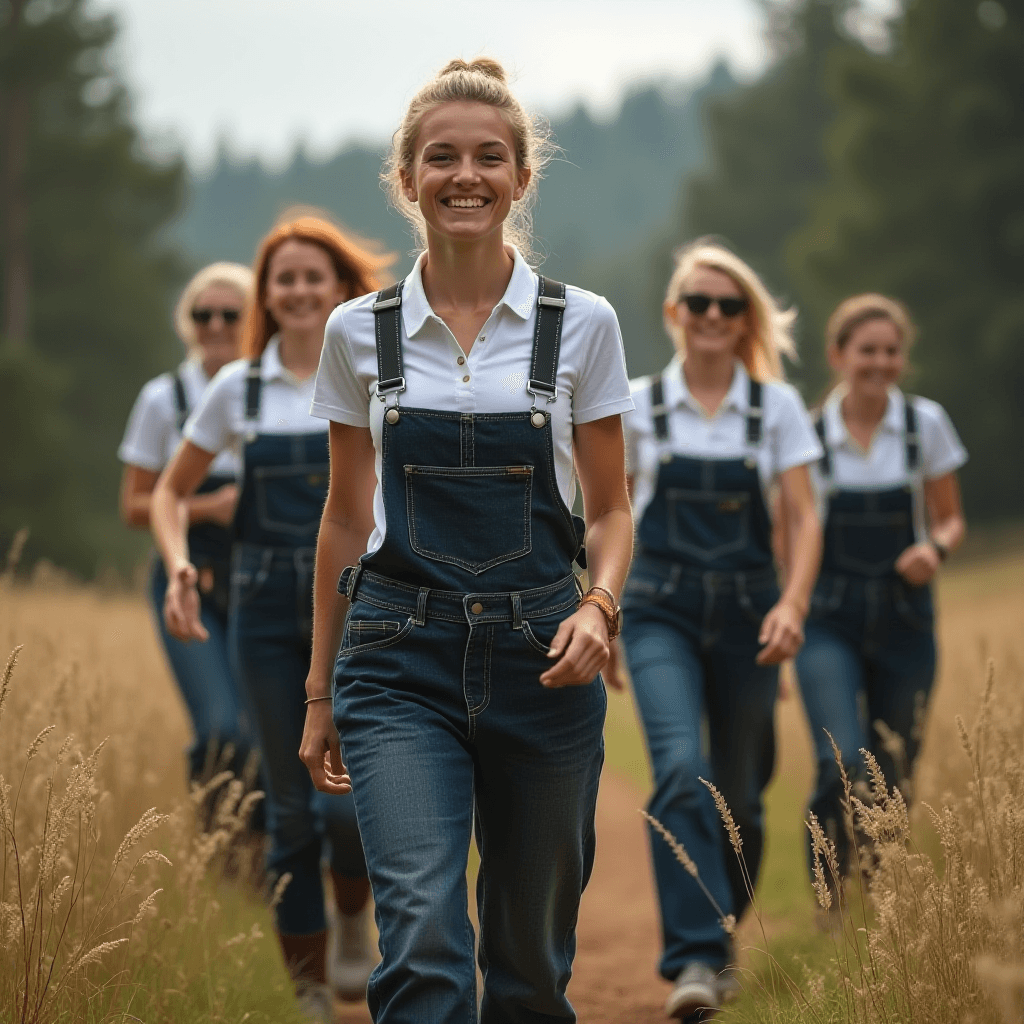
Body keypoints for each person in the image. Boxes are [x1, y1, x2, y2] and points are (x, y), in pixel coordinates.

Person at [299, 58, 635, 1024]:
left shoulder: (584, 327)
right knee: (425, 940)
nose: (465, 175)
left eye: (490, 157)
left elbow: (610, 512)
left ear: (521, 178)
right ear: (406, 178)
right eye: (440, 157)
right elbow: (342, 517)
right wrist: (321, 692)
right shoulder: (358, 332)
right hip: (397, 662)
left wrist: (598, 606)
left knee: (530, 966)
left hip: (545, 664)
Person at [152, 214, 391, 1021]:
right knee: (289, 810)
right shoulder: (238, 389)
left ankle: (355, 919)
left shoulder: (375, 378)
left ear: (340, 289)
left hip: (360, 608)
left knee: (346, 800)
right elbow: (168, 491)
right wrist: (181, 562)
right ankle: (310, 990)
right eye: (281, 280)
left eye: (310, 277)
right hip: (257, 613)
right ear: (268, 296)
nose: (295, 291)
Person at [613, 239, 823, 1020]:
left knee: (741, 792)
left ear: (745, 321)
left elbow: (803, 520)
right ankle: (695, 958)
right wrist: (603, 608)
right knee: (679, 767)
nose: (709, 315)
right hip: (658, 608)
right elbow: (611, 517)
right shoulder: (637, 405)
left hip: (750, 616)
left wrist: (793, 604)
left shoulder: (778, 409)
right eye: (696, 302)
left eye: (726, 305)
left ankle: (721, 935)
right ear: (673, 314)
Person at [795, 294, 966, 904]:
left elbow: (949, 519)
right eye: (867, 350)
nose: (881, 362)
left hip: (905, 617)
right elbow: (789, 530)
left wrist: (935, 551)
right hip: (825, 620)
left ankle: (878, 895)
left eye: (892, 351)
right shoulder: (808, 435)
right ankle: (828, 893)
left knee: (895, 766)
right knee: (837, 757)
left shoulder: (926, 425)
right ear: (838, 355)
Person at [119, 261, 255, 807]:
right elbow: (134, 506)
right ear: (188, 322)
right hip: (186, 576)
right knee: (222, 726)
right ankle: (221, 856)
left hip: (264, 580)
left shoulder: (272, 392)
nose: (216, 325)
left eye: (230, 314)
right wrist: (207, 507)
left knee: (270, 733)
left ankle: (269, 867)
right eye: (203, 314)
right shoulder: (163, 398)